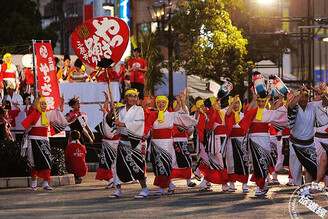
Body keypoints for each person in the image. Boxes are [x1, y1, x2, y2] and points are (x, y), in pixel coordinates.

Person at [144, 93, 197, 196]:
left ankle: (162, 187)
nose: (161, 104)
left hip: (167, 143)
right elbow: (143, 114)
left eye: (163, 102)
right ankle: (169, 185)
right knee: (158, 166)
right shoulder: (153, 114)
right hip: (156, 144)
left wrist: (182, 101)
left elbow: (184, 114)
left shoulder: (171, 114)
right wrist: (146, 104)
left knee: (165, 165)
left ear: (167, 103)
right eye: (158, 102)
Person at [239, 93, 288, 196]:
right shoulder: (253, 112)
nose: (261, 103)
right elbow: (246, 113)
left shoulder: (268, 113)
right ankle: (259, 187)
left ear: (265, 102)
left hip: (265, 140)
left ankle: (262, 184)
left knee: (264, 163)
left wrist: (287, 101)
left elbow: (280, 113)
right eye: (259, 101)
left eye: (263, 101)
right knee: (257, 163)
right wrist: (253, 100)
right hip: (254, 140)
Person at [107, 89, 149, 199]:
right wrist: (111, 110)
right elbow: (109, 120)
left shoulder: (139, 110)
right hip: (122, 141)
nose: (133, 98)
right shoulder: (120, 110)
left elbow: (138, 124)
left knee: (137, 165)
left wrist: (122, 124)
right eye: (130, 96)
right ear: (126, 97)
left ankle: (145, 189)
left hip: (133, 142)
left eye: (135, 96)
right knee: (117, 166)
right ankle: (118, 190)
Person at [21, 93, 67, 191]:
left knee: (46, 162)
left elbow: (59, 112)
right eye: (41, 104)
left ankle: (45, 183)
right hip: (32, 140)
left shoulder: (48, 114)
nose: (43, 106)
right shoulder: (33, 112)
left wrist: (62, 102)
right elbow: (33, 105)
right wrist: (39, 96)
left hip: (44, 141)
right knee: (32, 162)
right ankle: (34, 184)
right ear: (37, 105)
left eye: (45, 104)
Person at [95, 92, 120, 189]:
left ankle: (113, 180)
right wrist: (106, 99)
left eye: (114, 105)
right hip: (107, 142)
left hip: (115, 142)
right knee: (106, 161)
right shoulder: (108, 115)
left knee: (113, 162)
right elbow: (105, 112)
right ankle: (111, 180)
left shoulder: (119, 116)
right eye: (111, 104)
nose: (112, 106)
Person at [170, 97, 197, 188]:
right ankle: (170, 181)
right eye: (178, 106)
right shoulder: (171, 115)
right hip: (173, 141)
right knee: (173, 161)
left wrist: (182, 101)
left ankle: (188, 180)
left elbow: (185, 112)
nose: (180, 107)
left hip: (183, 140)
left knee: (186, 159)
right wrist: (179, 102)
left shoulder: (184, 117)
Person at [225, 95, 249, 193]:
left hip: (242, 141)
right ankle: (232, 183)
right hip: (231, 141)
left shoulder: (243, 115)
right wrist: (232, 102)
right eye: (234, 103)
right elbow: (227, 113)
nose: (236, 105)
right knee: (231, 163)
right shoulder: (229, 115)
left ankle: (244, 184)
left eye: (237, 102)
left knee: (243, 162)